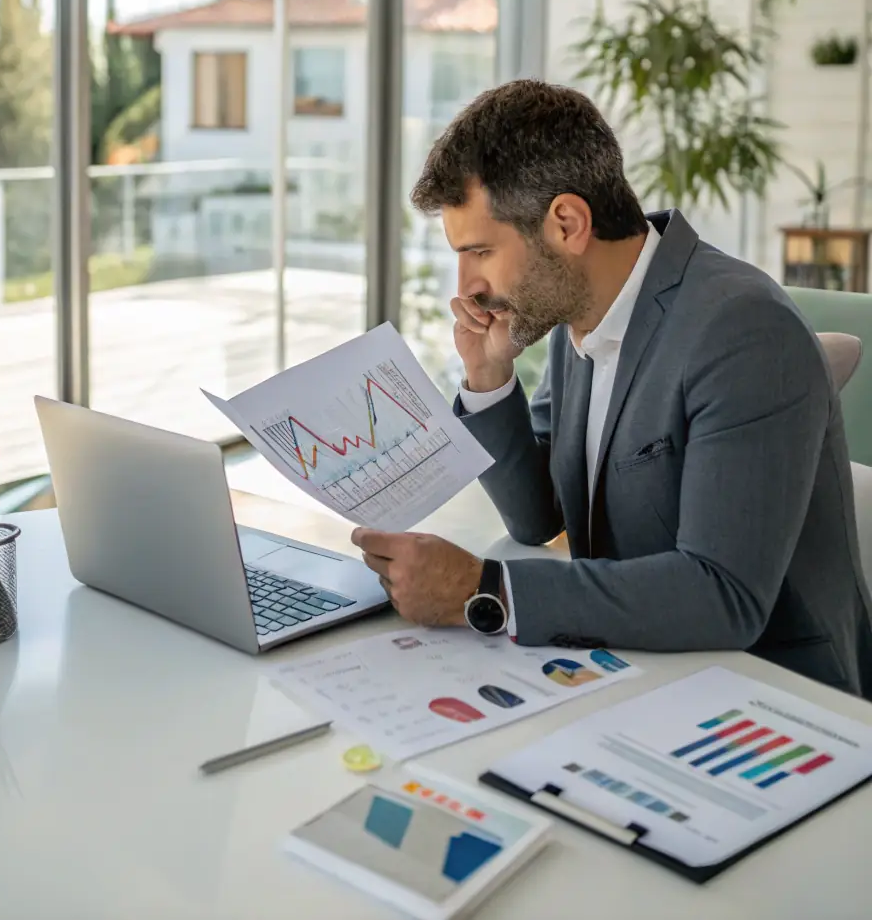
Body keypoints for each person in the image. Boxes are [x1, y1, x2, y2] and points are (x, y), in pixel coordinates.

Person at [352, 80, 872, 697]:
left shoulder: (744, 329)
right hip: (633, 661)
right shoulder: (582, 315)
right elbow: (537, 517)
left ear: (568, 223)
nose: (467, 288)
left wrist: (484, 588)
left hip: (776, 696)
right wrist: (488, 376)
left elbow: (724, 595)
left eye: (481, 251)